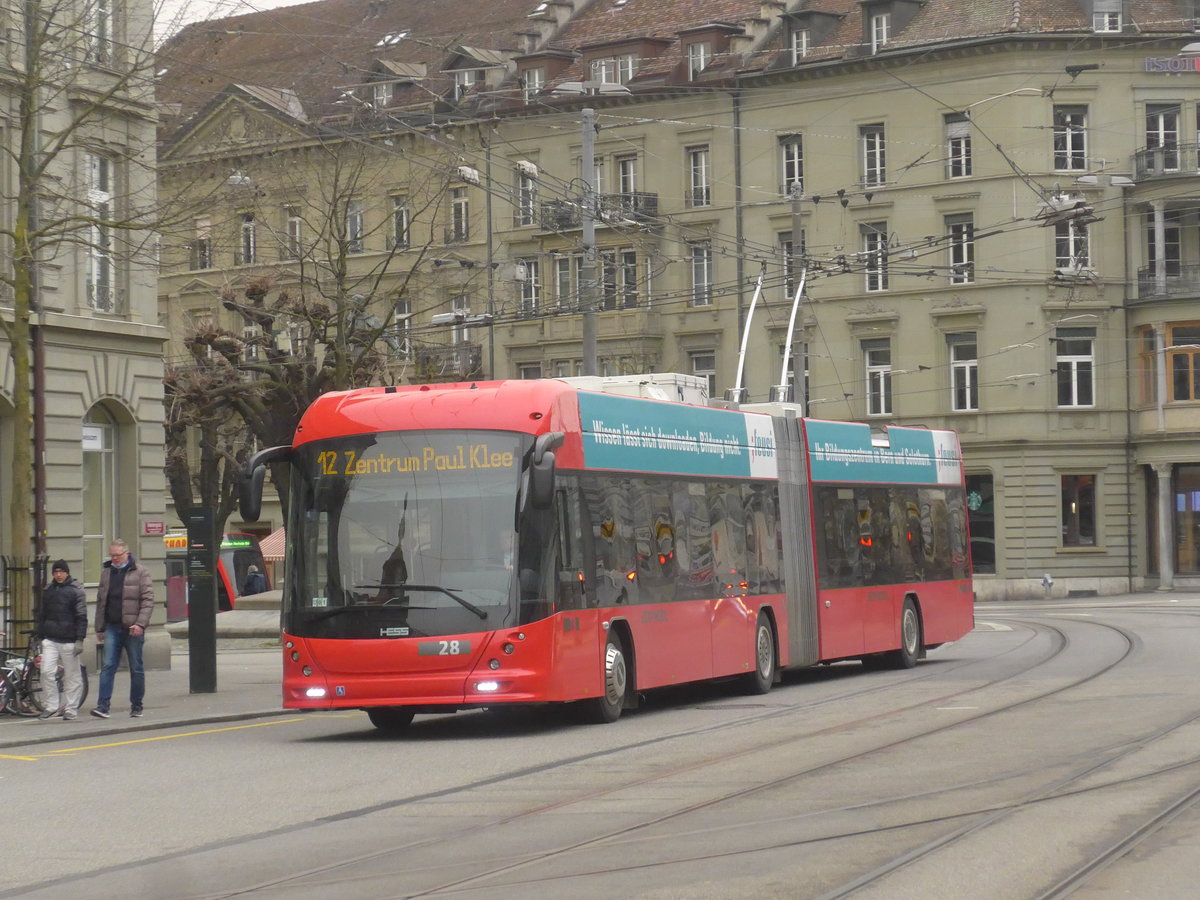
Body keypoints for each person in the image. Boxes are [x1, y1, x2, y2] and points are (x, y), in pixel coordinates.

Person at [92, 539, 155, 719]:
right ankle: (103, 706)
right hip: (112, 626)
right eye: (111, 555)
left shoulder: (141, 572)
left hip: (133, 627)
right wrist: (100, 627)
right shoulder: (107, 572)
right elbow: (101, 601)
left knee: (136, 667)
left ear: (126, 554)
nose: (114, 559)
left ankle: (136, 705)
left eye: (117, 556)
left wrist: (140, 624)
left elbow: (148, 600)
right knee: (108, 665)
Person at [35, 560, 87, 721]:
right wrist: (40, 634)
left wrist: (79, 639)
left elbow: (81, 617)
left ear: (67, 572)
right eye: (55, 572)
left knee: (72, 676)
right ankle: (51, 705)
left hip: (69, 639)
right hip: (50, 638)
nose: (58, 575)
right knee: (46, 672)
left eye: (61, 571)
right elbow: (42, 614)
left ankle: (71, 708)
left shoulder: (75, 591)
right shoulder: (49, 590)